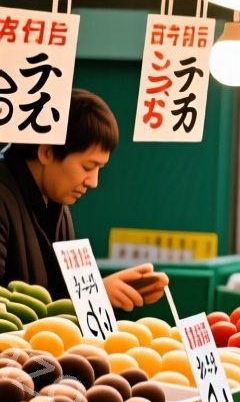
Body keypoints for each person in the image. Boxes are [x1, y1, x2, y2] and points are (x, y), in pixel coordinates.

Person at [0, 89, 167, 310]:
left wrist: (102, 290)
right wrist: (95, 297)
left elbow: (58, 297)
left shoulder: (59, 206)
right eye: (88, 167)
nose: (93, 181)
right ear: (47, 152)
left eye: (100, 168)